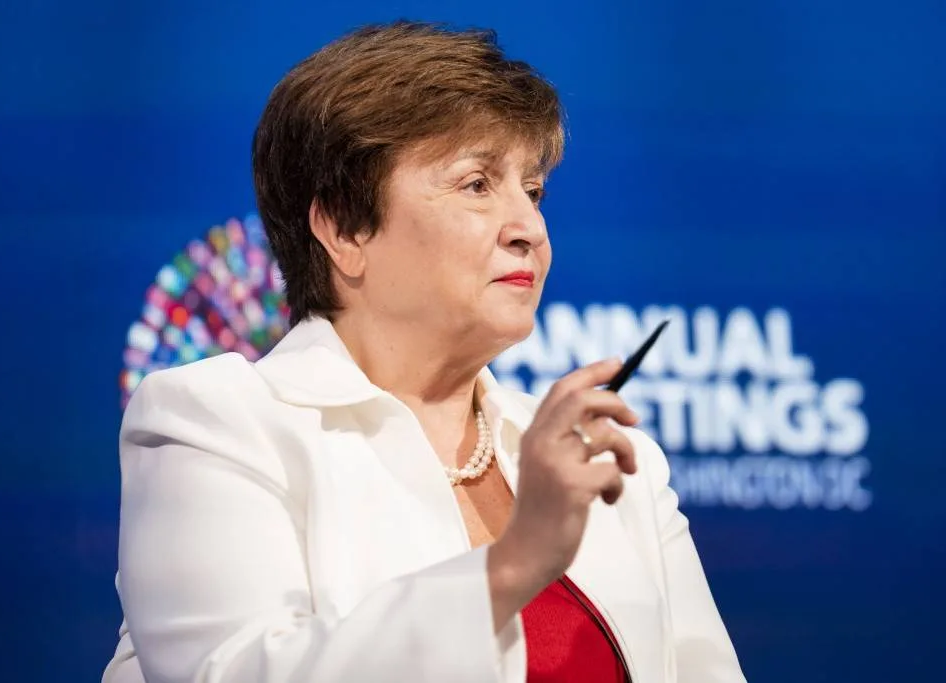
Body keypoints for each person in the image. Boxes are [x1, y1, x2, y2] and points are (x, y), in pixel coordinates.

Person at [102, 20, 745, 683]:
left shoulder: (610, 465)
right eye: (477, 184)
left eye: (532, 191)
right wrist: (513, 563)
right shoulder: (217, 422)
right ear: (345, 228)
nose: (530, 227)